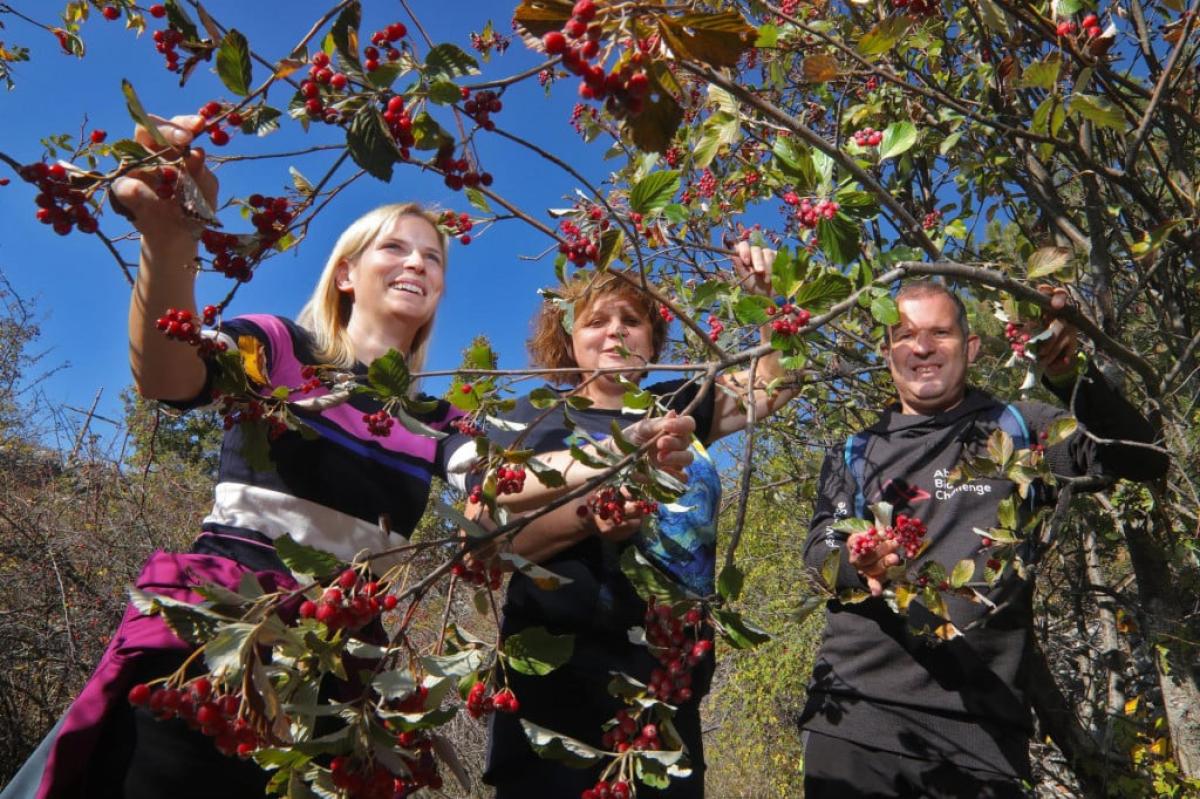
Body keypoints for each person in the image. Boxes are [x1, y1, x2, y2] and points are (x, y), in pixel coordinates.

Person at [2, 114, 694, 799]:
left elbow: (508, 482)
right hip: (217, 641)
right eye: (395, 248)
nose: (418, 263)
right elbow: (168, 375)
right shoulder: (278, 349)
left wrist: (620, 449)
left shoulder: (433, 419)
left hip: (340, 672)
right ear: (344, 273)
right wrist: (169, 237)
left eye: (433, 258)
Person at [798, 281, 1169, 798]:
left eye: (939, 333)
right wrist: (859, 564)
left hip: (984, 737)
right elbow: (818, 555)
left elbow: (1143, 459)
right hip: (857, 722)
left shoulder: (1019, 429)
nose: (922, 347)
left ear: (971, 347)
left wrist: (1067, 374)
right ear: (888, 355)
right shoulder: (856, 450)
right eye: (905, 335)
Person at [481, 244, 797, 799]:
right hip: (559, 689)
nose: (615, 332)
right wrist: (591, 517)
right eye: (596, 321)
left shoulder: (677, 403)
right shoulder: (532, 419)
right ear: (569, 339)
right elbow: (489, 545)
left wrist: (767, 300)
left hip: (665, 685)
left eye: (632, 320)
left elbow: (776, 386)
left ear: (653, 340)